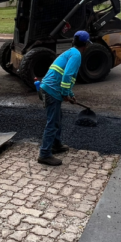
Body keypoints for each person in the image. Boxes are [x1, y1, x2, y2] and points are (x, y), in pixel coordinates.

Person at [37, 30, 90, 166]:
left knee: (58, 118)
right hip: (51, 91)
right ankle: (44, 154)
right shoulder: (77, 54)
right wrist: (65, 94)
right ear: (85, 45)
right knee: (52, 122)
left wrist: (70, 94)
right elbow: (67, 75)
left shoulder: (71, 52)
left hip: (48, 88)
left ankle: (56, 144)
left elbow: (65, 77)